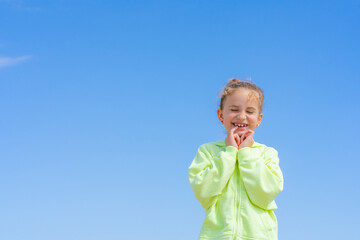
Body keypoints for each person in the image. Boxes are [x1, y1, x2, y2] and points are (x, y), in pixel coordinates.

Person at [188, 78, 284, 240]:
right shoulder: (208, 151)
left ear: (259, 119)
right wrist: (230, 152)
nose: (241, 116)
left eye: (250, 111)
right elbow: (204, 192)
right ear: (221, 115)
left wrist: (246, 153)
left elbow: (266, 193)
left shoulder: (267, 154)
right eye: (234, 109)